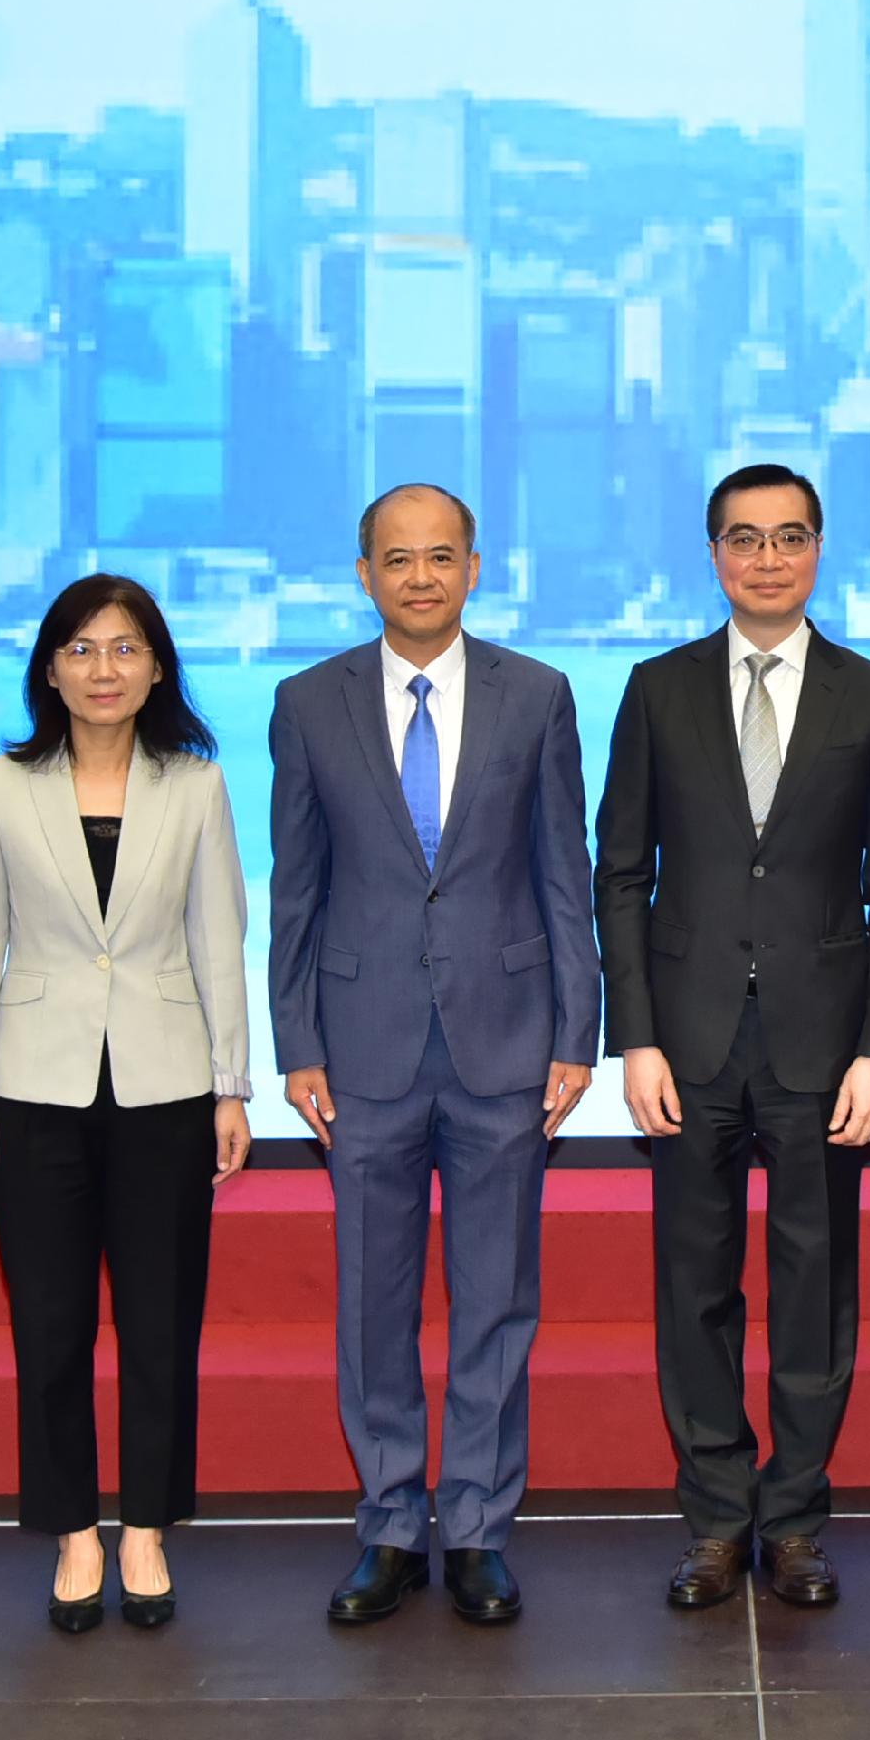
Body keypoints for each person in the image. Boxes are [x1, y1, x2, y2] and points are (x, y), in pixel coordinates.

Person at [596, 463, 870, 1612]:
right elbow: (621, 872)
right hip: (684, 1042)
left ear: (819, 549)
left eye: (789, 537)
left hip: (823, 1047)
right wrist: (629, 1034)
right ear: (714, 553)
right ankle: (713, 1518)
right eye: (745, 538)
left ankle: (792, 1518)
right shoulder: (657, 687)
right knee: (693, 1286)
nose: (768, 557)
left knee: (813, 1284)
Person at [269, 485, 599, 1629]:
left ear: (473, 567)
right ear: (363, 571)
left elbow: (567, 871)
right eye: (397, 558)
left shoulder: (538, 694)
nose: (419, 576)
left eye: (440, 557)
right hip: (359, 1049)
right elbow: (295, 888)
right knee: (375, 1299)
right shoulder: (307, 701)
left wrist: (576, 1030)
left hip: (505, 1042)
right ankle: (389, 1523)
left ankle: (477, 1527)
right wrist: (295, 1038)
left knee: (497, 1297)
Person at [0, 574, 253, 1634]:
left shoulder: (198, 785)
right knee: (51, 1322)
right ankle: (75, 1529)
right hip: (33, 1085)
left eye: (124, 648)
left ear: (157, 664)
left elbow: (221, 939)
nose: (103, 668)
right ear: (49, 668)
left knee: (163, 1323)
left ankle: (149, 1528)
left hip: (168, 1083)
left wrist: (230, 1083)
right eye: (80, 648)